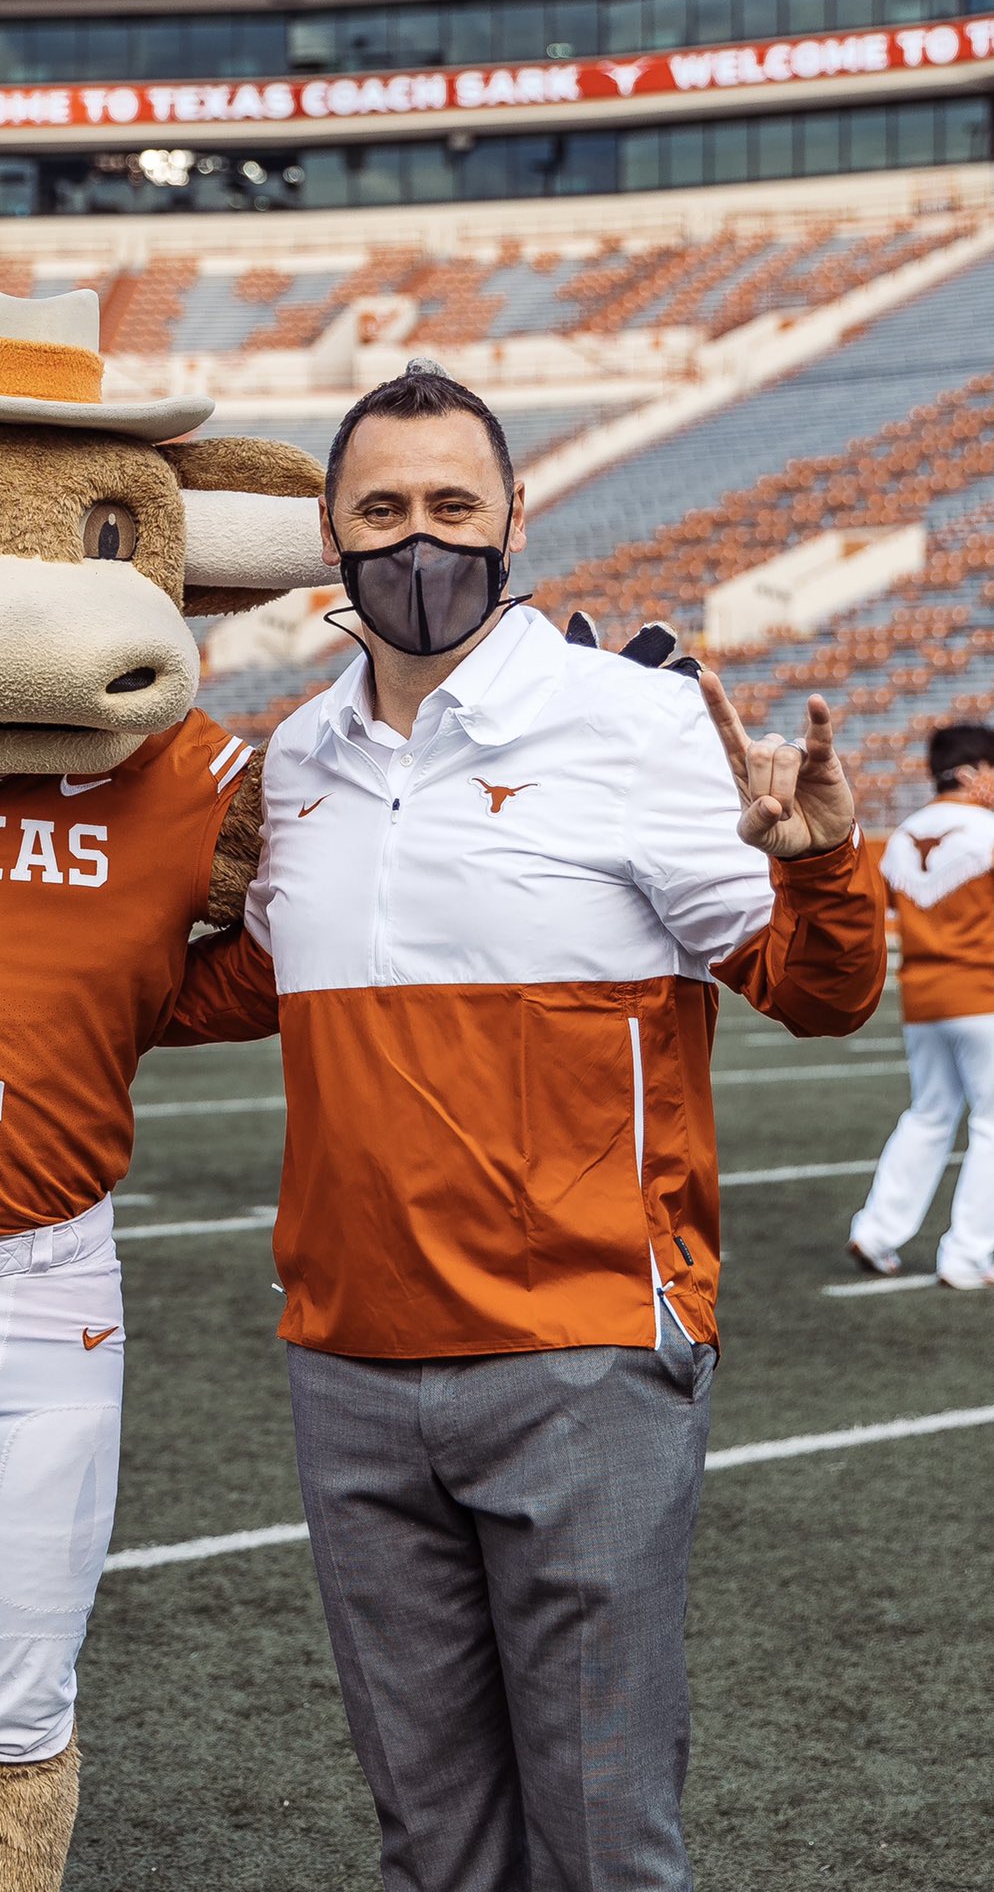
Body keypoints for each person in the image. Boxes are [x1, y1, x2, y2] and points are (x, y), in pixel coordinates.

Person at [165, 363, 887, 1892]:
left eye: (448, 506)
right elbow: (251, 985)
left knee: (601, 1835)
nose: (415, 540)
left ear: (511, 522)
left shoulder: (631, 721)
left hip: (578, 1350)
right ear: (329, 535)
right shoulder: (296, 756)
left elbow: (812, 997)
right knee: (430, 1837)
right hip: (349, 1357)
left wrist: (822, 872)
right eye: (380, 510)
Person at [847, 722, 994, 1288]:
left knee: (929, 1113)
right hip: (982, 992)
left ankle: (877, 1230)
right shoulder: (986, 829)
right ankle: (968, 1254)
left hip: (922, 997)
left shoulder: (903, 835)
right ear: (972, 771)